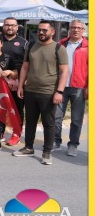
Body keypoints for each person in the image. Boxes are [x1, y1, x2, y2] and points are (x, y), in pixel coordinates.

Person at [13, 21, 69, 165]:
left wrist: (59, 92)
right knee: (30, 121)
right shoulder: (31, 46)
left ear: (52, 32)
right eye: (39, 30)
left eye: (45, 30)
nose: (41, 33)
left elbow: (64, 72)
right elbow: (25, 67)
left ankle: (47, 152)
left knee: (48, 123)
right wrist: (20, 86)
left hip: (49, 93)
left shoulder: (59, 48)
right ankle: (28, 147)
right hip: (30, 91)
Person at [54, 19, 88, 157]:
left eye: (79, 28)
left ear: (83, 30)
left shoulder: (89, 46)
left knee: (76, 119)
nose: (76, 30)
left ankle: (73, 144)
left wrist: (89, 88)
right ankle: (56, 141)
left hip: (79, 87)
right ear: (69, 28)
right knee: (56, 117)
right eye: (73, 27)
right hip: (61, 86)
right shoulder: (60, 44)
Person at [1, 17, 28, 146]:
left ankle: (16, 133)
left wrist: (18, 79)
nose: (10, 27)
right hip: (0, 81)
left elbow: (27, 64)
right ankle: (0, 132)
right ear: (3, 26)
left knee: (17, 109)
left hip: (17, 81)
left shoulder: (24, 43)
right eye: (7, 25)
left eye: (12, 25)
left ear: (17, 27)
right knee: (0, 107)